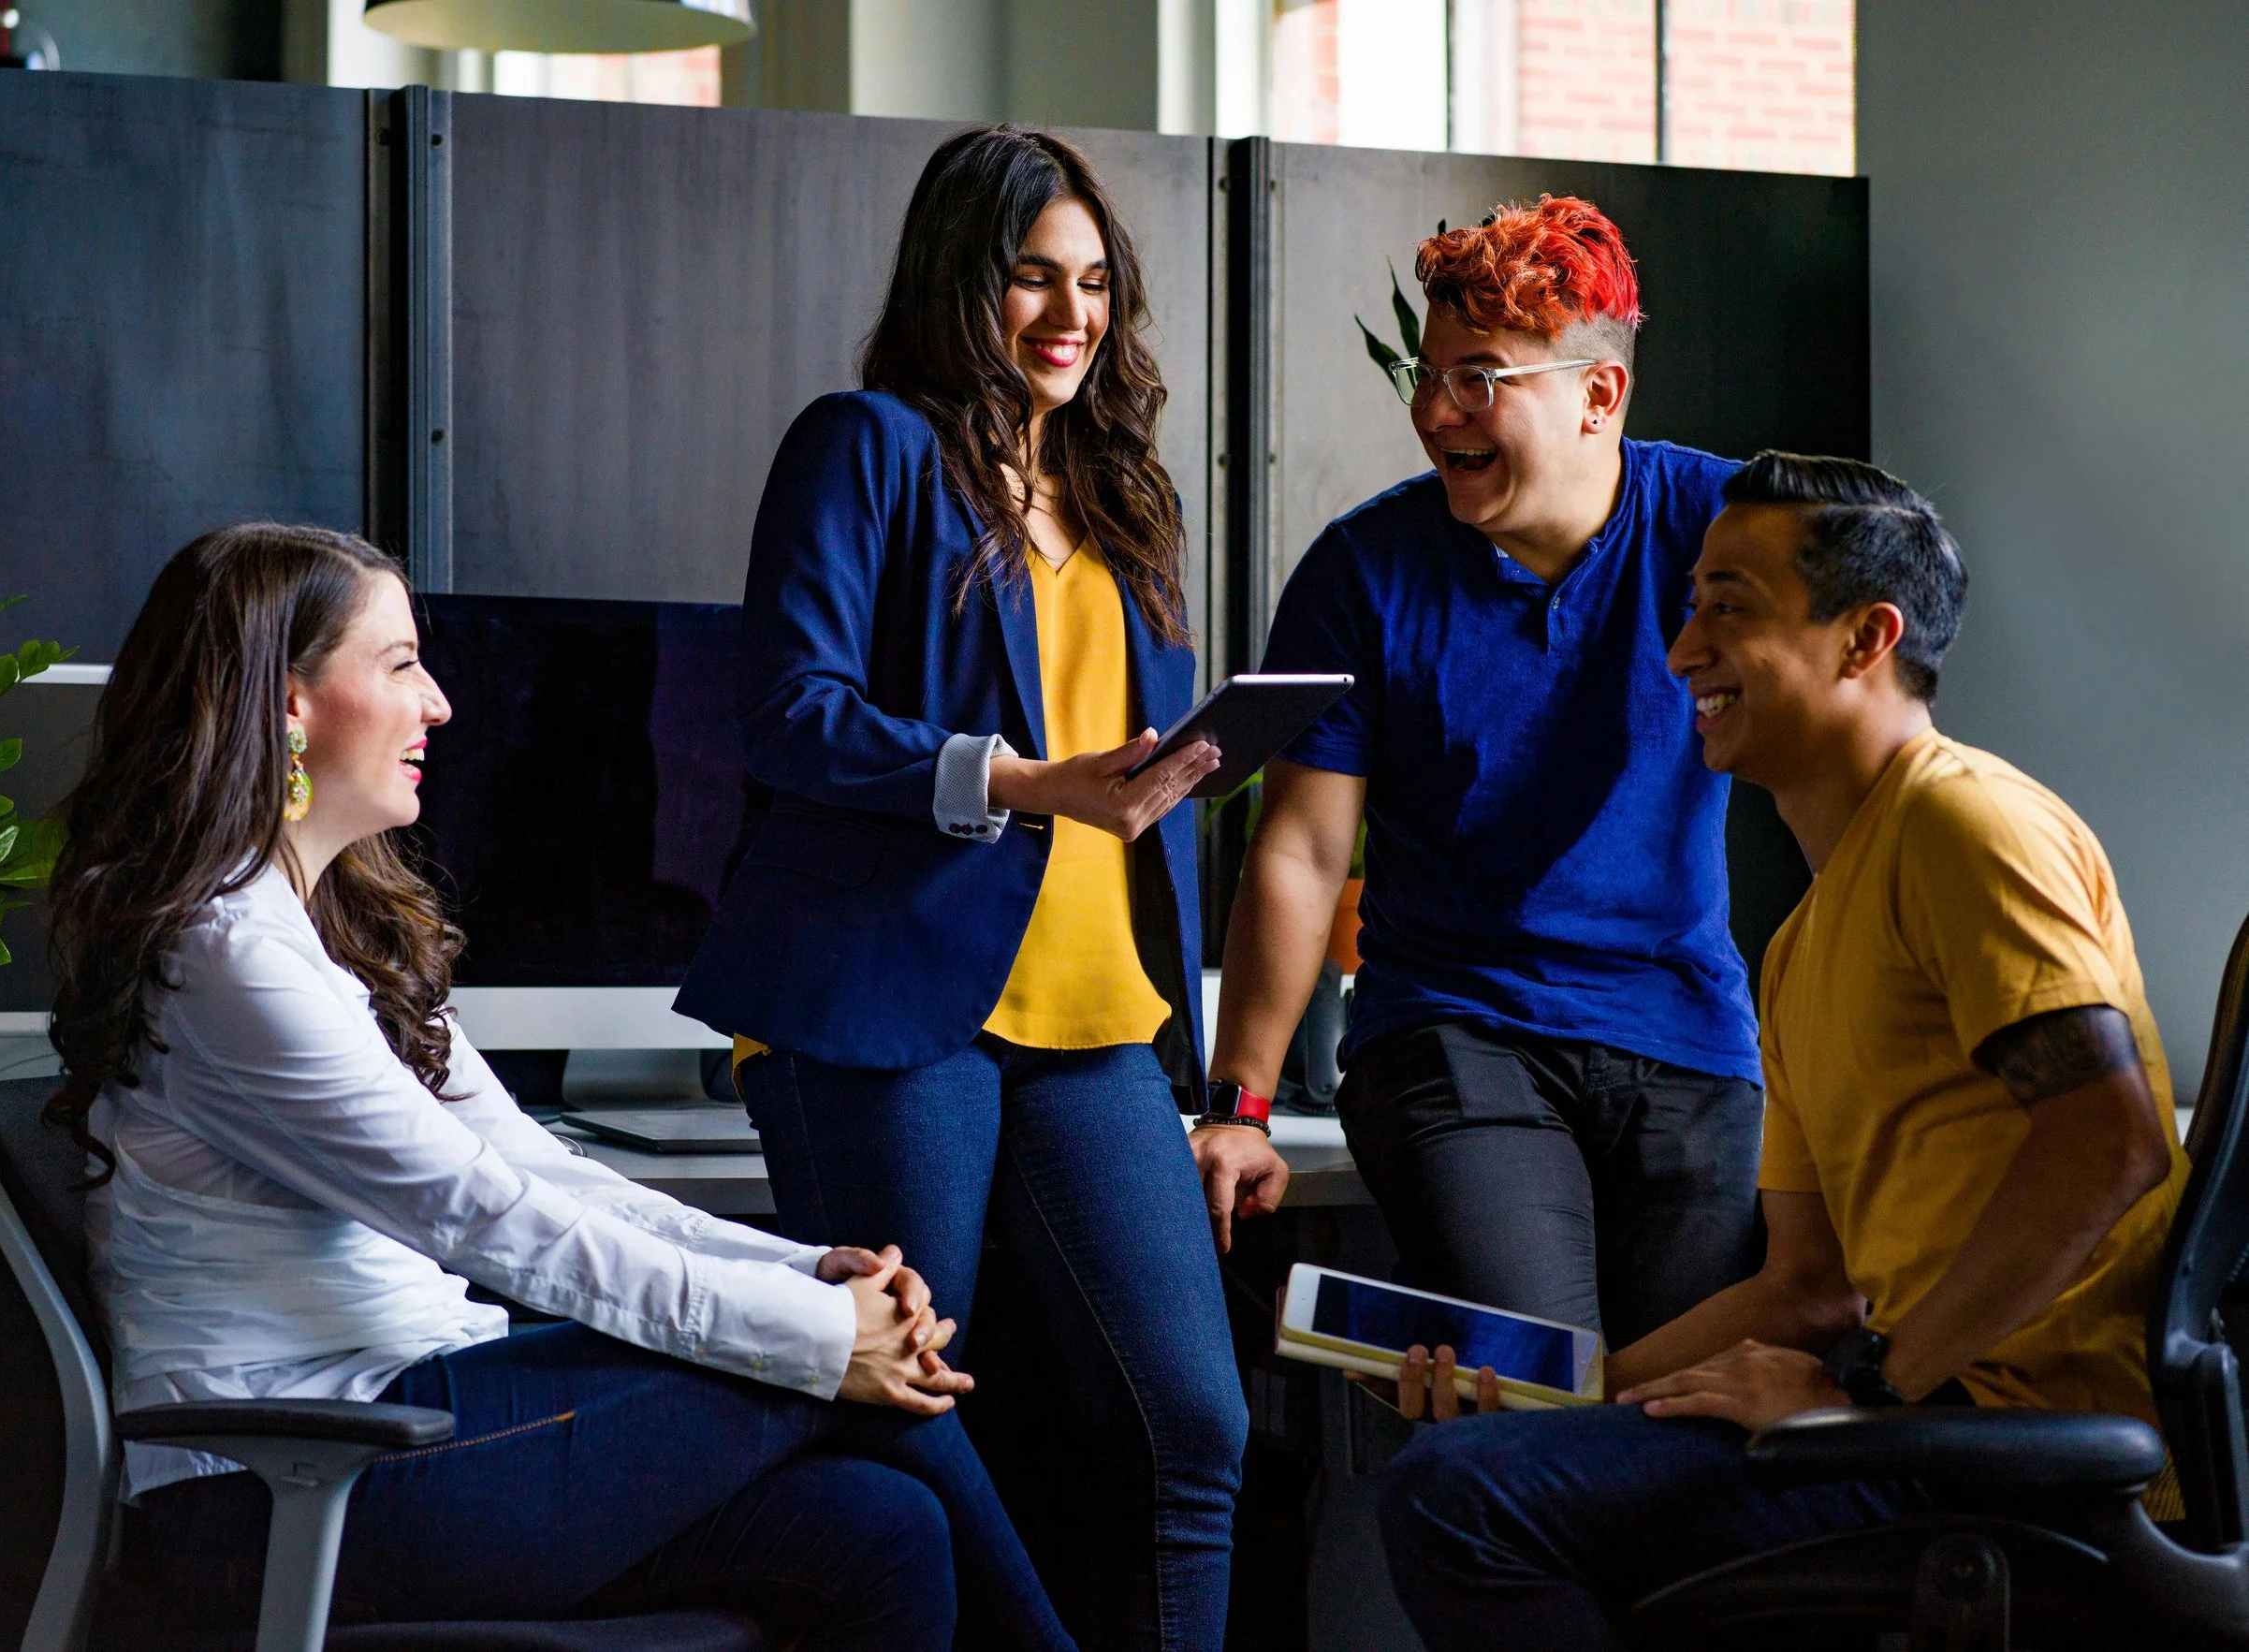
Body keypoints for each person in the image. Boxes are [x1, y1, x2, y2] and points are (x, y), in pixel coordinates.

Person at [45, 524, 1073, 1650]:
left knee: (880, 1530)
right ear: (286, 703)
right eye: (398, 666)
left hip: (420, 1423)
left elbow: (537, 1166)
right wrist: (828, 1334)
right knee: (824, 1369)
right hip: (287, 1487)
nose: (438, 702)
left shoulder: (332, 929)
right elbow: (481, 1214)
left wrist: (802, 1271)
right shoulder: (226, 953)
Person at [1375, 453, 2190, 1651]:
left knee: (1462, 1501)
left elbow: (2107, 1142)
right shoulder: (1802, 941)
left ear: (1866, 638)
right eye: (1691, 604)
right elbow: (1807, 1285)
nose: (1682, 651)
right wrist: (1561, 1396)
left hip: (2016, 1460)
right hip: (1925, 1420)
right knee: (1476, 1459)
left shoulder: (1964, 821)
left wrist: (1869, 1390)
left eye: (1729, 609)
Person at [674, 126, 1249, 1651]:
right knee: (907, 1401)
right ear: (960, 280)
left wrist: (1177, 770)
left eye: (1094, 285)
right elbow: (788, 712)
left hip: (1096, 1011)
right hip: (886, 1003)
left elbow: (1115, 768)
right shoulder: (866, 446)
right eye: (1031, 279)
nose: (1071, 315)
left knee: (1195, 1427)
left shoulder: (1120, 499)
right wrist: (1015, 777)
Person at [1197, 196, 1764, 1352]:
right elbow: (1302, 852)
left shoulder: (1722, 528)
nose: (1433, 412)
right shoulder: (1363, 572)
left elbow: (1870, 673)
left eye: (1479, 379)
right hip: (1455, 1034)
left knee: (1683, 1418)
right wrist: (1238, 1107)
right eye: (1429, 375)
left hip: (1685, 1035)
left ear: (1598, 395)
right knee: (1544, 1383)